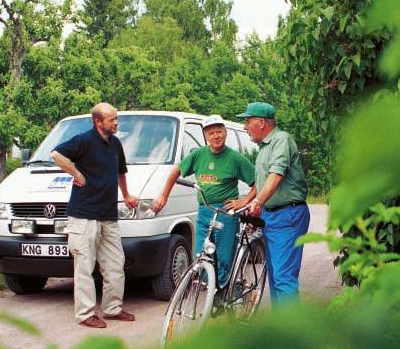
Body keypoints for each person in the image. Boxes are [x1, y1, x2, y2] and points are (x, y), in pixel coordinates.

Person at [51, 102, 138, 328]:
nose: (116, 123)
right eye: (112, 120)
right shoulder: (84, 140)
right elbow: (57, 154)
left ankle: (112, 308)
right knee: (84, 267)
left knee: (115, 265)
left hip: (108, 215)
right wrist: (76, 173)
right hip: (84, 215)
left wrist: (127, 195)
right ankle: (85, 314)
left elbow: (121, 172)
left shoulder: (115, 143)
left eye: (116, 118)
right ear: (97, 122)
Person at [152, 114, 256, 286]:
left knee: (224, 258)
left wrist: (244, 201)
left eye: (219, 132)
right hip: (205, 211)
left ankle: (226, 293)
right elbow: (176, 172)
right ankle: (211, 290)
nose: (216, 136)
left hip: (226, 213)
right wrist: (164, 195)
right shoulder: (198, 155)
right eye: (211, 133)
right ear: (206, 136)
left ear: (225, 133)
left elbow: (257, 181)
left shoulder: (235, 158)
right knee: (202, 256)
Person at [233, 101, 310, 301]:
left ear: (261, 122)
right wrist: (247, 202)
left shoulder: (281, 140)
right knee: (276, 277)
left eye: (248, 121)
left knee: (284, 277)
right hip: (271, 216)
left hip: (287, 215)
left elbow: (276, 175)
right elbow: (263, 182)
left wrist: (257, 202)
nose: (245, 127)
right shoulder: (264, 148)